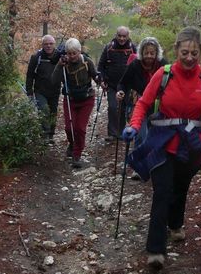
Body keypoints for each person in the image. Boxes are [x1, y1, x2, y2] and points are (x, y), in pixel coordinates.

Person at [122, 26, 201, 271]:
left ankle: (176, 224)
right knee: (162, 191)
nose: (189, 58)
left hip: (191, 143)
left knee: (180, 186)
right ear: (176, 51)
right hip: (162, 139)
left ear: (200, 52)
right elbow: (143, 103)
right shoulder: (164, 74)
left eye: (194, 53)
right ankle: (156, 250)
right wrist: (134, 127)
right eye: (184, 53)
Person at [116, 36, 166, 177]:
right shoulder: (135, 65)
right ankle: (139, 166)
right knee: (140, 134)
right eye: (146, 53)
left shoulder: (163, 65)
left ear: (157, 53)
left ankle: (154, 163)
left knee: (155, 134)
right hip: (139, 103)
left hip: (158, 104)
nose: (149, 56)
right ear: (141, 53)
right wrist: (120, 92)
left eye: (152, 53)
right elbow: (123, 83)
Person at [52, 38, 101, 169]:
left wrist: (100, 81)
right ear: (66, 53)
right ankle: (72, 143)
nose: (72, 56)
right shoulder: (64, 64)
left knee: (79, 128)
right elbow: (54, 80)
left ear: (79, 51)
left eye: (74, 53)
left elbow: (95, 75)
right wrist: (59, 65)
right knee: (69, 128)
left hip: (86, 98)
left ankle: (77, 155)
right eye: (69, 53)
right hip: (71, 99)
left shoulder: (87, 61)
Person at [97, 26, 136, 142]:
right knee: (113, 107)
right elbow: (101, 66)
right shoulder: (109, 48)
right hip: (112, 85)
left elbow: (138, 65)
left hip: (127, 85)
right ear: (116, 35)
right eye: (120, 36)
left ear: (128, 36)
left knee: (123, 109)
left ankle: (120, 132)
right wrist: (102, 80)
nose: (122, 39)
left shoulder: (133, 48)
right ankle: (112, 133)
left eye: (124, 36)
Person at [25, 34, 62, 143]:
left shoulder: (60, 56)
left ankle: (51, 134)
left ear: (54, 44)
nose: (48, 46)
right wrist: (29, 90)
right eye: (46, 44)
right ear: (42, 45)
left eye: (51, 44)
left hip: (55, 90)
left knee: (53, 112)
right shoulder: (36, 57)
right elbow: (30, 75)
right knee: (44, 110)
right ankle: (45, 134)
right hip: (40, 90)